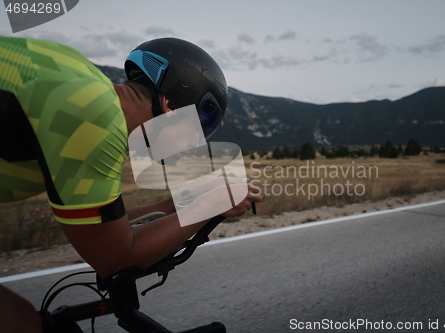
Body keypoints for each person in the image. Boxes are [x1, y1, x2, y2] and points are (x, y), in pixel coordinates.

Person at [0, 35, 262, 333]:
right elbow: (114, 258)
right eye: (202, 125)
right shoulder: (96, 119)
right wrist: (212, 203)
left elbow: (100, 228)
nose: (196, 143)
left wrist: (181, 202)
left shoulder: (87, 88)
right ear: (170, 105)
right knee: (23, 325)